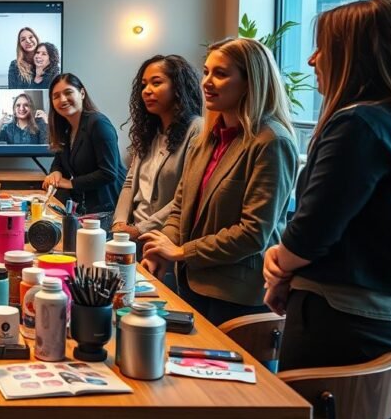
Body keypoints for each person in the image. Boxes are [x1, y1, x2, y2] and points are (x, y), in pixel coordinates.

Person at [263, 0, 391, 419]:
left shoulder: (355, 124)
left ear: (356, 56)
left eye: (322, 47)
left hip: (345, 325)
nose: (311, 57)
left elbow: (308, 237)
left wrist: (279, 264)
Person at [140, 38, 298, 326]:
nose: (207, 82)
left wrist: (181, 251)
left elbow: (253, 233)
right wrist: (162, 249)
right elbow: (180, 206)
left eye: (221, 74)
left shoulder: (271, 142)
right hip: (191, 283)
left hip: (237, 297)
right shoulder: (208, 137)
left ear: (251, 81)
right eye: (206, 72)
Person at [112, 55, 203, 246]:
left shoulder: (196, 129)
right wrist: (119, 223)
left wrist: (140, 230)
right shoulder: (149, 131)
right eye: (144, 85)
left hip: (165, 239)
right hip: (131, 237)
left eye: (156, 83)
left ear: (178, 87)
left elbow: (187, 194)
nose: (147, 91)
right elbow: (129, 183)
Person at [42, 74, 125, 215]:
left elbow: (108, 173)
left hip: (109, 208)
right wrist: (56, 172)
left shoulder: (98, 123)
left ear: (82, 93)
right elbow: (60, 160)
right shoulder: (67, 128)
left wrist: (70, 183)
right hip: (87, 207)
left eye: (68, 92)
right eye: (56, 96)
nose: (62, 99)